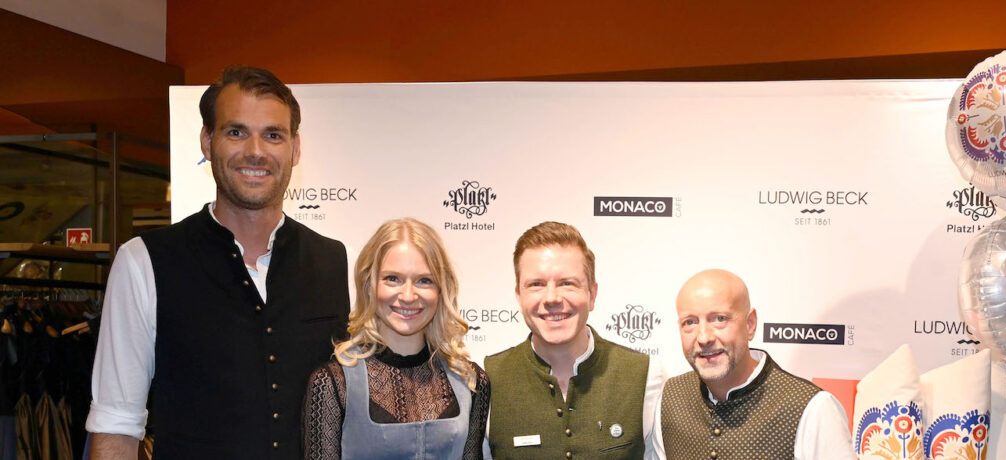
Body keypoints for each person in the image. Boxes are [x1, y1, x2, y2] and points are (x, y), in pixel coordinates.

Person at [86, 66, 350, 459]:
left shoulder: (332, 260)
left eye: (273, 135)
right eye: (236, 132)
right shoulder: (144, 262)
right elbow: (116, 427)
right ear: (207, 142)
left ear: (295, 149)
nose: (256, 151)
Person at [302, 218, 490, 459]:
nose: (408, 295)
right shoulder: (333, 384)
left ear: (440, 290)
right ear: (370, 284)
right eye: (393, 278)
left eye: (424, 280)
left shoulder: (471, 383)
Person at [485, 221, 665, 459]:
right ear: (519, 295)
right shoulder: (487, 380)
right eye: (536, 284)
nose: (551, 298)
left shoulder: (647, 376)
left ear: (592, 294)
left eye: (567, 283)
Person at [651, 269, 856, 460]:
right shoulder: (670, 399)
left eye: (719, 319)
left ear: (750, 324)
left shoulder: (811, 408)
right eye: (690, 322)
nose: (704, 337)